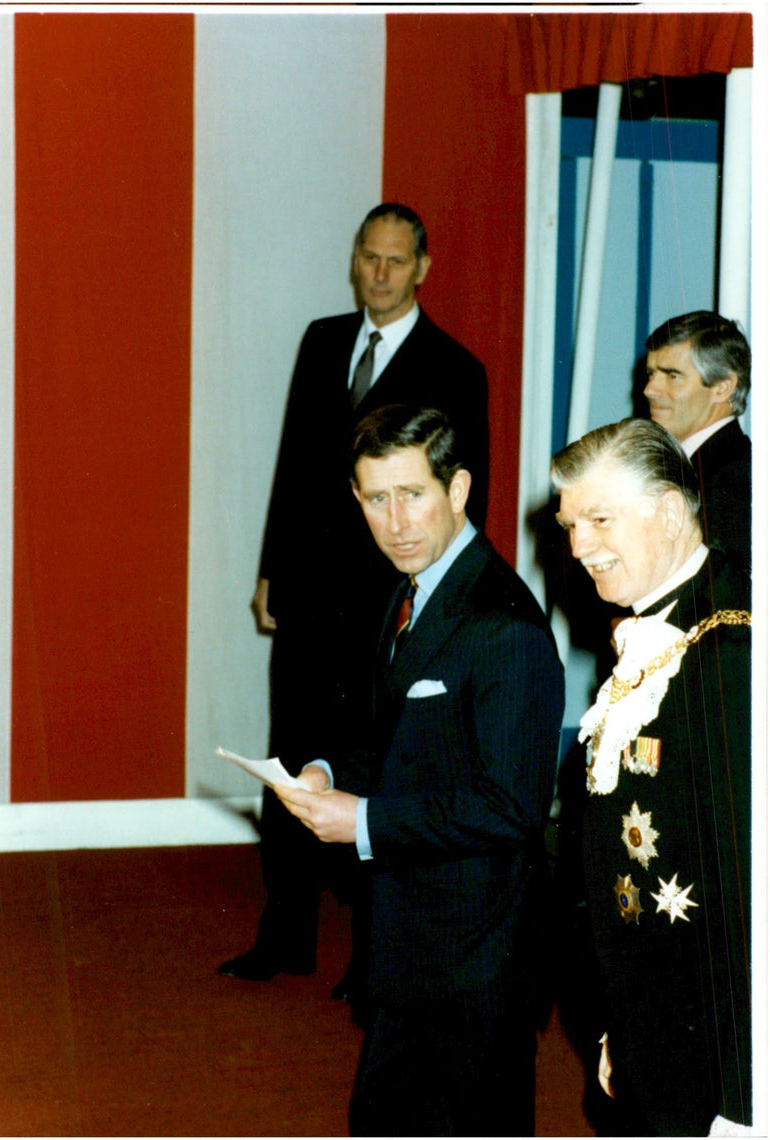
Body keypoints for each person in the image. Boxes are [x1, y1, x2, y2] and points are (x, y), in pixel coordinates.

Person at [274, 404, 564, 1137]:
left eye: (414, 494)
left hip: (475, 961)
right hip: (410, 943)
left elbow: (511, 808)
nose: (396, 521)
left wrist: (363, 820)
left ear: (459, 490)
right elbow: (399, 739)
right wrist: (324, 770)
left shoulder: (504, 625)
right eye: (376, 498)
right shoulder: (410, 591)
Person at [219, 203, 489, 984]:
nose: (378, 273)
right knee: (293, 755)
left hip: (387, 603)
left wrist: (436, 602)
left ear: (423, 268)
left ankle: (375, 956)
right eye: (367, 256)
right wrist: (271, 568)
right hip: (307, 595)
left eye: (395, 261)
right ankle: (286, 933)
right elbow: (296, 462)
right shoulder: (323, 340)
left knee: (378, 768)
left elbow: (465, 499)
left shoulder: (455, 368)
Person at [551, 418, 751, 1136]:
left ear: (670, 512)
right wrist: (617, 1027)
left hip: (715, 1069)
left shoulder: (730, 653)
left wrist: (744, 1105)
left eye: (600, 519)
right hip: (649, 1033)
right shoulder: (657, 629)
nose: (578, 546)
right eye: (570, 523)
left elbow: (749, 899)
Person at [644, 310, 751, 569]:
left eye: (672, 375)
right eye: (650, 374)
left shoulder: (735, 481)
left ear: (722, 387)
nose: (649, 390)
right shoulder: (685, 469)